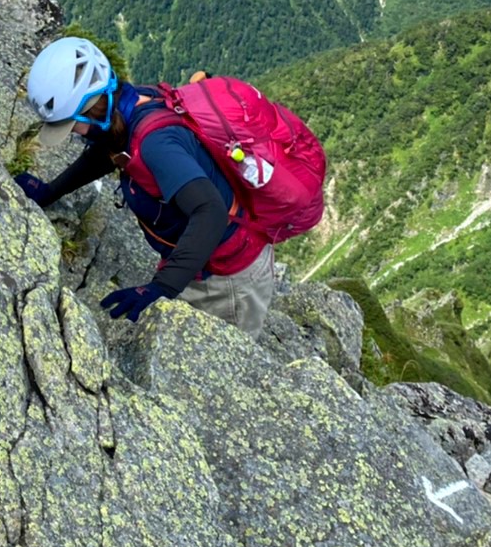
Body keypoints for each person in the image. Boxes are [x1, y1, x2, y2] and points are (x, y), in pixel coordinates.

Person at [15, 36, 292, 335]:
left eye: (71, 125)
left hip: (229, 280)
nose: (71, 134)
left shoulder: (157, 144)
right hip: (202, 263)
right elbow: (110, 151)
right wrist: (51, 191)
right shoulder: (131, 107)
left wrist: (161, 288)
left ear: (94, 110)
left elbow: (210, 211)